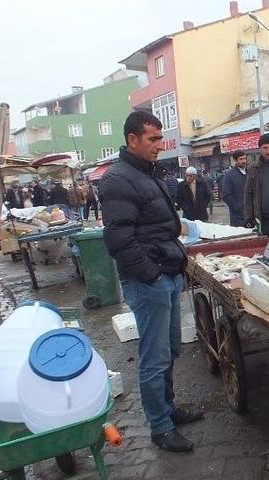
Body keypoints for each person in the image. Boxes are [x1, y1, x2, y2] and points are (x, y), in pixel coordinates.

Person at [99, 111, 202, 452]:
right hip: (150, 282)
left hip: (167, 277)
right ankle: (160, 427)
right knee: (154, 358)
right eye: (153, 139)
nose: (160, 145)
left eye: (161, 138)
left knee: (170, 350)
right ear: (132, 139)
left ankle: (168, 410)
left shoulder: (148, 174)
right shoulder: (118, 180)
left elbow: (162, 227)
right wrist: (153, 275)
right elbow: (119, 242)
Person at [220, 150, 248, 227]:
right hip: (237, 217)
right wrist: (237, 207)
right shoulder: (229, 175)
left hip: (251, 215)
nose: (244, 161)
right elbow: (226, 195)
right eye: (241, 159)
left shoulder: (249, 173)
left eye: (245, 158)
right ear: (235, 160)